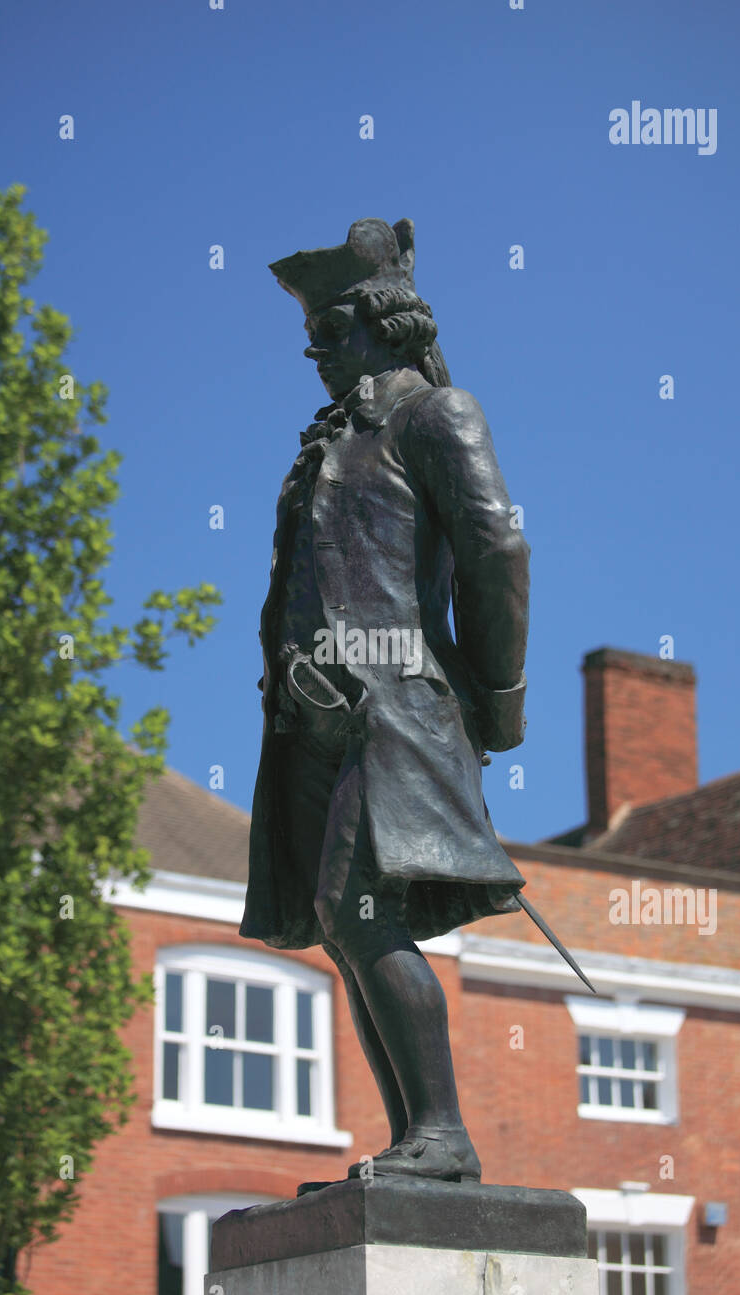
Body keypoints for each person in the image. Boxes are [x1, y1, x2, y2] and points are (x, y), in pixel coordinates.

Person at [240, 217, 529, 1182]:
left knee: (358, 910)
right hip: (311, 725)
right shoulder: (331, 439)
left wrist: (497, 703)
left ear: (378, 323)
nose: (312, 351)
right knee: (339, 922)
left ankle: (441, 1136)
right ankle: (415, 1139)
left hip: (396, 716)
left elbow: (497, 551)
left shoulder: (434, 417)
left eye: (327, 330)